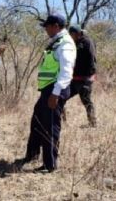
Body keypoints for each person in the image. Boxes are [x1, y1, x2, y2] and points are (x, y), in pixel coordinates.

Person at [15, 14, 76, 173]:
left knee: (50, 128)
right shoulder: (57, 42)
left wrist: (55, 94)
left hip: (55, 90)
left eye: (47, 26)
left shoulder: (65, 44)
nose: (45, 29)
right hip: (48, 90)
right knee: (37, 122)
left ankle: (50, 165)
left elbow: (66, 72)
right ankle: (32, 155)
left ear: (56, 26)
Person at [68, 25, 97, 128]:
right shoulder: (79, 42)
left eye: (71, 35)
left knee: (86, 101)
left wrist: (88, 77)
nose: (70, 37)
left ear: (76, 34)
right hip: (75, 78)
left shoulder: (86, 42)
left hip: (84, 79)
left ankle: (93, 124)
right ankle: (63, 121)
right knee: (61, 97)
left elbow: (90, 61)